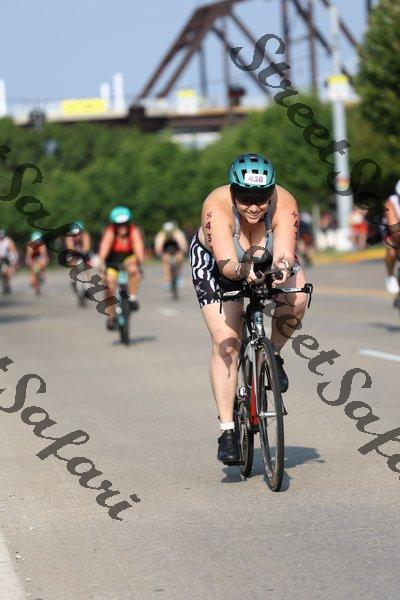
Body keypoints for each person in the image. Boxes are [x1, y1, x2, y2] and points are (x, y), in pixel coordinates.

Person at [189, 153, 308, 465]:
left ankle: (274, 354)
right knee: (226, 342)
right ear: (232, 193)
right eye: (245, 198)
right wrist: (244, 272)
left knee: (298, 297)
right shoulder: (216, 205)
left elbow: (284, 255)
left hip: (264, 256)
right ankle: (228, 431)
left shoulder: (284, 202)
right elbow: (227, 264)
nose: (254, 207)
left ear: (271, 192)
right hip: (219, 262)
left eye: (262, 198)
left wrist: (281, 270)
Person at [97, 206, 145, 330]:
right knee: (109, 284)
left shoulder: (133, 231)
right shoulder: (110, 232)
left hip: (129, 259)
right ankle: (111, 316)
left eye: (125, 224)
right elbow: (104, 249)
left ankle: (132, 298)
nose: (122, 227)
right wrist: (101, 265)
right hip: (112, 261)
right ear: (114, 225)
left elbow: (138, 247)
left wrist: (140, 264)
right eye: (119, 225)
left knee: (133, 269)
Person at [154, 221, 188, 290]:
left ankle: (179, 275)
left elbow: (183, 245)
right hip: (166, 249)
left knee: (180, 257)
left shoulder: (178, 234)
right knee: (165, 260)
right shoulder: (161, 235)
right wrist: (159, 254)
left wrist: (184, 251)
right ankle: (168, 281)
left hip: (176, 248)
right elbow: (158, 247)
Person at [65, 221, 92, 295]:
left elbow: (86, 248)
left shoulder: (85, 235)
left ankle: (88, 285)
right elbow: (70, 248)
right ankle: (74, 279)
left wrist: (84, 252)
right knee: (72, 260)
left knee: (87, 266)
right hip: (74, 252)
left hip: (83, 252)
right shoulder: (69, 238)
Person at [383, 180, 400, 295]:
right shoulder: (391, 203)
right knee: (392, 252)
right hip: (392, 230)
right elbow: (394, 229)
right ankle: (390, 274)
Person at [0, 229, 19, 294]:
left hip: (7, 259)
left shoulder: (8, 241)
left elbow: (13, 250)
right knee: (3, 272)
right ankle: (4, 283)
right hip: (1, 258)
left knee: (7, 272)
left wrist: (13, 260)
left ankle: (7, 283)